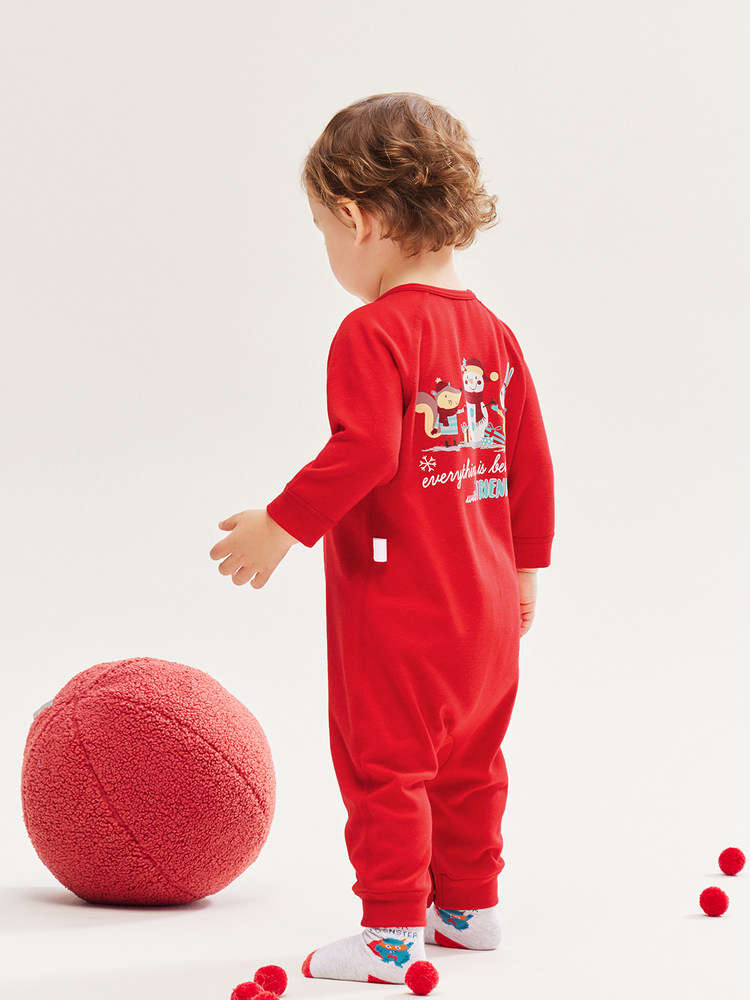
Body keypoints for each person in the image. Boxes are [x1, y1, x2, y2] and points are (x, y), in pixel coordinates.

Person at [209, 91, 554, 985]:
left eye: (324, 231)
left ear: (357, 219)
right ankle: (469, 908)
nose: (330, 249)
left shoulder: (373, 333)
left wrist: (281, 525)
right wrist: (525, 571)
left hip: (402, 615)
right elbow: (529, 462)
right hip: (486, 614)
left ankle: (393, 932)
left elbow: (367, 450)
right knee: (471, 762)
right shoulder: (494, 336)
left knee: (385, 768)